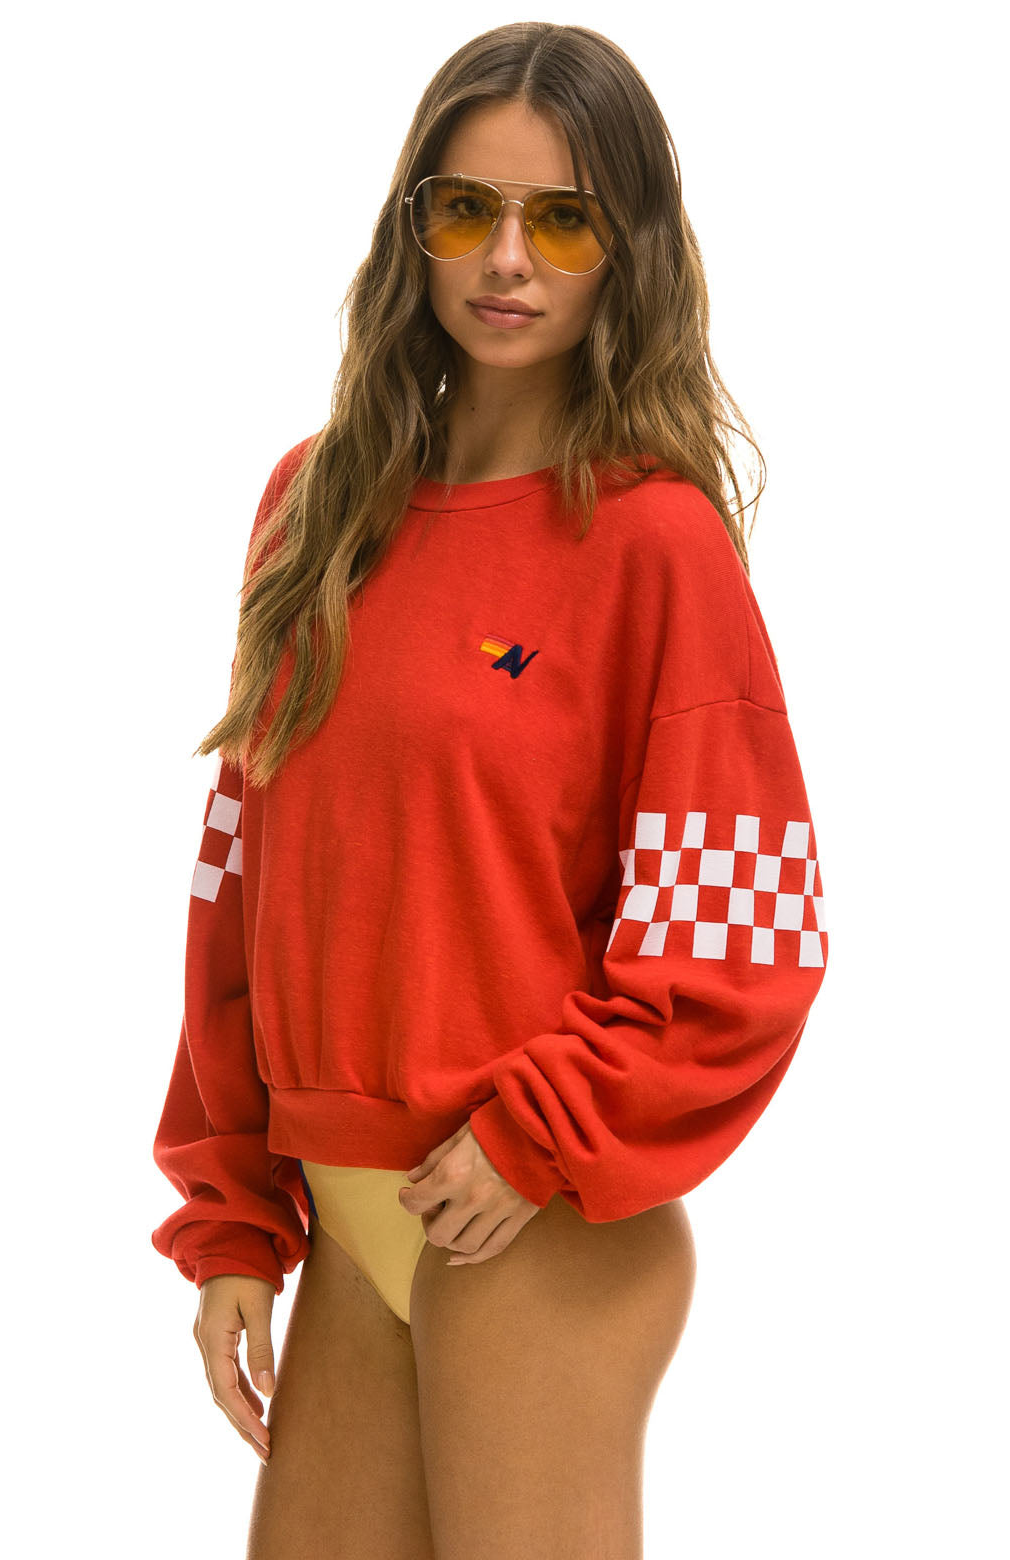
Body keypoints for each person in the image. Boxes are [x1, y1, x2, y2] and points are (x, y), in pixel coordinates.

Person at [150, 21, 829, 1560]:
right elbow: (239, 889)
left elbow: (744, 934)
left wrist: (538, 1136)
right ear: (416, 228)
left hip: (534, 1227)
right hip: (348, 1224)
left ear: (627, 250)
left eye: (563, 220)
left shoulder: (652, 544)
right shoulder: (314, 508)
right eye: (467, 209)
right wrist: (234, 1218)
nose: (506, 259)